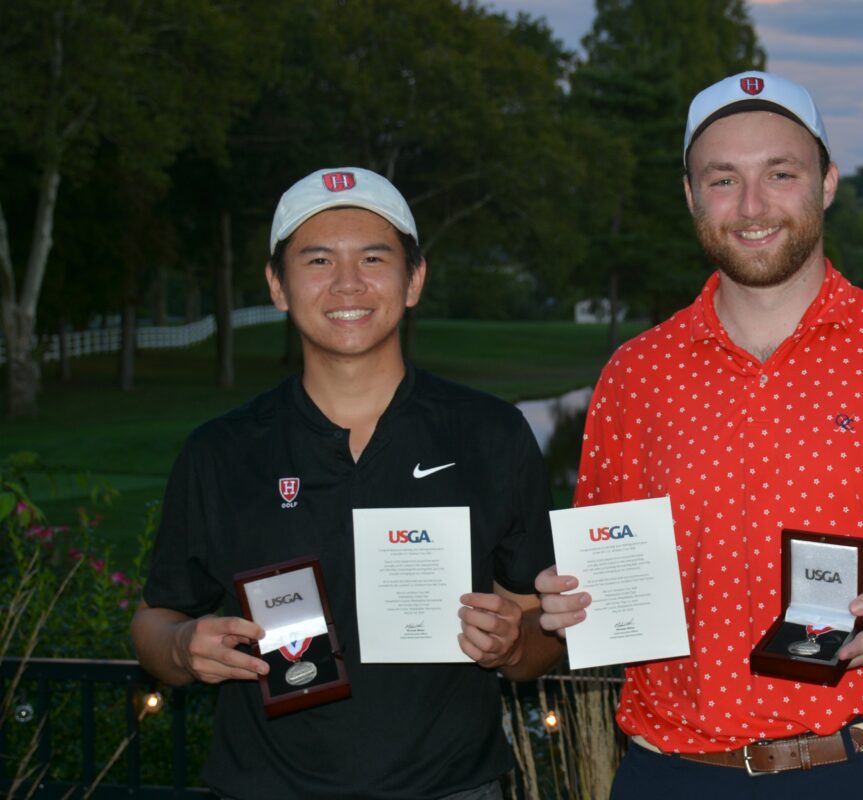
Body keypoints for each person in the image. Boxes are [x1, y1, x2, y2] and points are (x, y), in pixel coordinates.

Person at [537, 71, 863, 798]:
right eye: (722, 180)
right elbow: (614, 587)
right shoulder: (636, 375)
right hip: (674, 775)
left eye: (781, 173)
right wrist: (571, 608)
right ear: (689, 195)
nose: (751, 206)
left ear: (827, 182)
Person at [131, 167, 563, 800]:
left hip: (452, 788)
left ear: (414, 279)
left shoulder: (491, 433)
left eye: (372, 257)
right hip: (264, 789)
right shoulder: (220, 451)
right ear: (277, 285)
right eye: (317, 260)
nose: (347, 284)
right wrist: (180, 648)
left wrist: (511, 646)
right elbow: (155, 617)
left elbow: (543, 628)